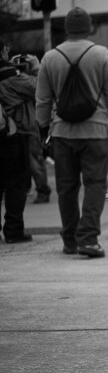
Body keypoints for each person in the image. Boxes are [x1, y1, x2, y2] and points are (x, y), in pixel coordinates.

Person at [35, 7, 108, 258]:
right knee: (95, 184)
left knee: (66, 188)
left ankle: (70, 240)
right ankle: (88, 238)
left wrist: (43, 129)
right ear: (88, 28)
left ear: (66, 29)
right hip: (95, 131)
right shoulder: (101, 54)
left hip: (62, 132)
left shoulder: (50, 58)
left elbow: (42, 100)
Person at [0, 46, 40, 243]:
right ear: (2, 53)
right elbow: (40, 89)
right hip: (13, 135)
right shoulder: (12, 77)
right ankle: (14, 231)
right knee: (16, 185)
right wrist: (35, 68)